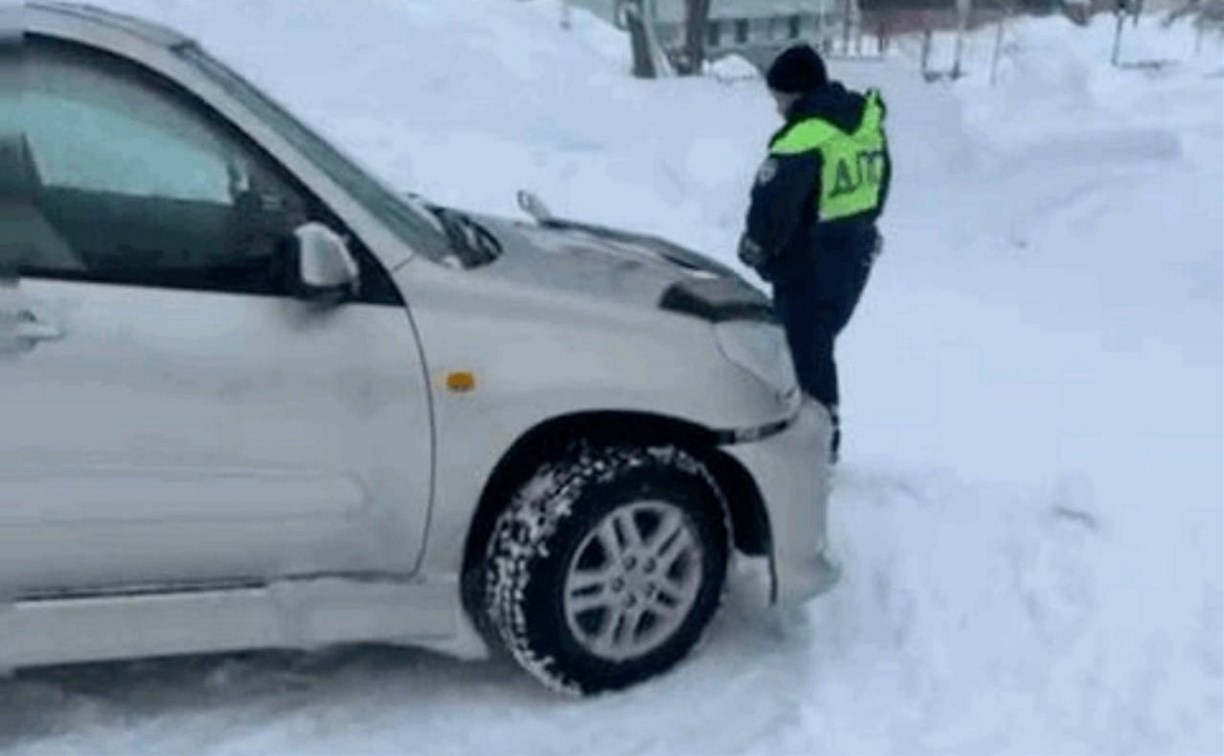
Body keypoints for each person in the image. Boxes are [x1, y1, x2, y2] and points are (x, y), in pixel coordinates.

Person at [738, 44, 891, 464]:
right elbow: (878, 188)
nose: (777, 108)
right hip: (853, 256)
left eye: (779, 98)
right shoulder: (863, 124)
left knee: (806, 351)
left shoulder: (805, 135)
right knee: (814, 344)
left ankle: (815, 450)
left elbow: (775, 204)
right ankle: (812, 438)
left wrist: (757, 248)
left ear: (796, 92)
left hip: (812, 262)